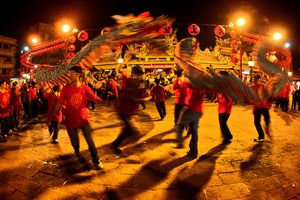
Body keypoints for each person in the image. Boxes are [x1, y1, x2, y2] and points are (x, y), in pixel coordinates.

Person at [49, 66, 103, 170]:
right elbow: (59, 103)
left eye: (72, 73)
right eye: (69, 73)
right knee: (74, 142)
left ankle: (96, 160)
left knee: (90, 140)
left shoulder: (84, 87)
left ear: (78, 75)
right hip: (71, 120)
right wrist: (51, 116)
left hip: (83, 118)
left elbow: (93, 97)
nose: (69, 75)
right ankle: (76, 149)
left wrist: (99, 99)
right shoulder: (65, 89)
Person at [111, 65, 149, 154]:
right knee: (133, 131)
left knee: (128, 130)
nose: (140, 76)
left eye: (141, 74)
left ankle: (115, 144)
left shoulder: (138, 84)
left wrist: (145, 95)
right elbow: (131, 97)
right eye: (138, 74)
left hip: (130, 110)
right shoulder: (129, 83)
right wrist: (144, 99)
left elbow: (141, 94)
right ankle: (116, 145)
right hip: (124, 110)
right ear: (134, 74)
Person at [175, 79, 205, 158]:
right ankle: (193, 151)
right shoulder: (202, 85)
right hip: (199, 110)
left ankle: (179, 143)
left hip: (190, 109)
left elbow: (184, 83)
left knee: (180, 126)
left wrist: (182, 78)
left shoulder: (194, 83)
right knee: (194, 131)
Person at [250, 75, 270, 142]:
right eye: (254, 79)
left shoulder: (264, 87)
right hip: (256, 107)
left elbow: (269, 94)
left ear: (259, 80)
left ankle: (267, 126)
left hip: (264, 106)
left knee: (267, 118)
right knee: (256, 122)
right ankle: (261, 136)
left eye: (256, 79)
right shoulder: (252, 87)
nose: (255, 81)